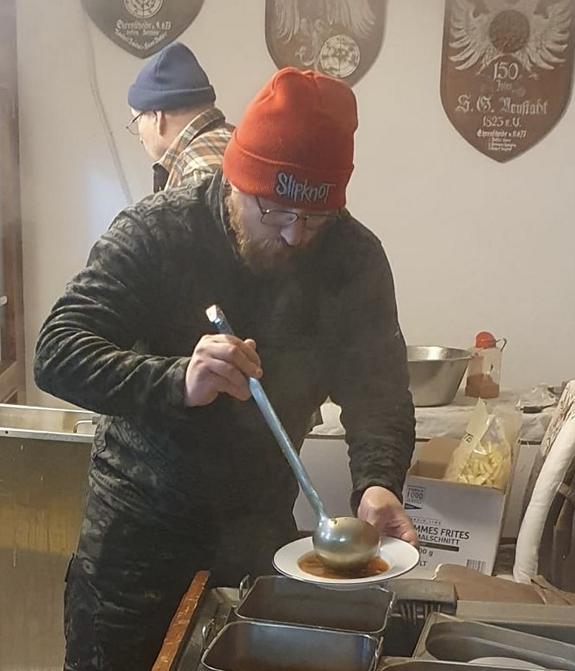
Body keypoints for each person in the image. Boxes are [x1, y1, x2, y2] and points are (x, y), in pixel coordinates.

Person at [34, 67, 417, 670]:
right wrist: (176, 380)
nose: (295, 236)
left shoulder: (352, 256)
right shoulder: (158, 231)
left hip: (258, 537)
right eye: (276, 212)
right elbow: (57, 352)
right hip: (138, 541)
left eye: (315, 218)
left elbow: (379, 391)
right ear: (238, 179)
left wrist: (378, 482)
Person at [126, 41, 233, 192]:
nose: (140, 139)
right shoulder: (233, 140)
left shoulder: (196, 174)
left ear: (157, 117)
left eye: (137, 120)